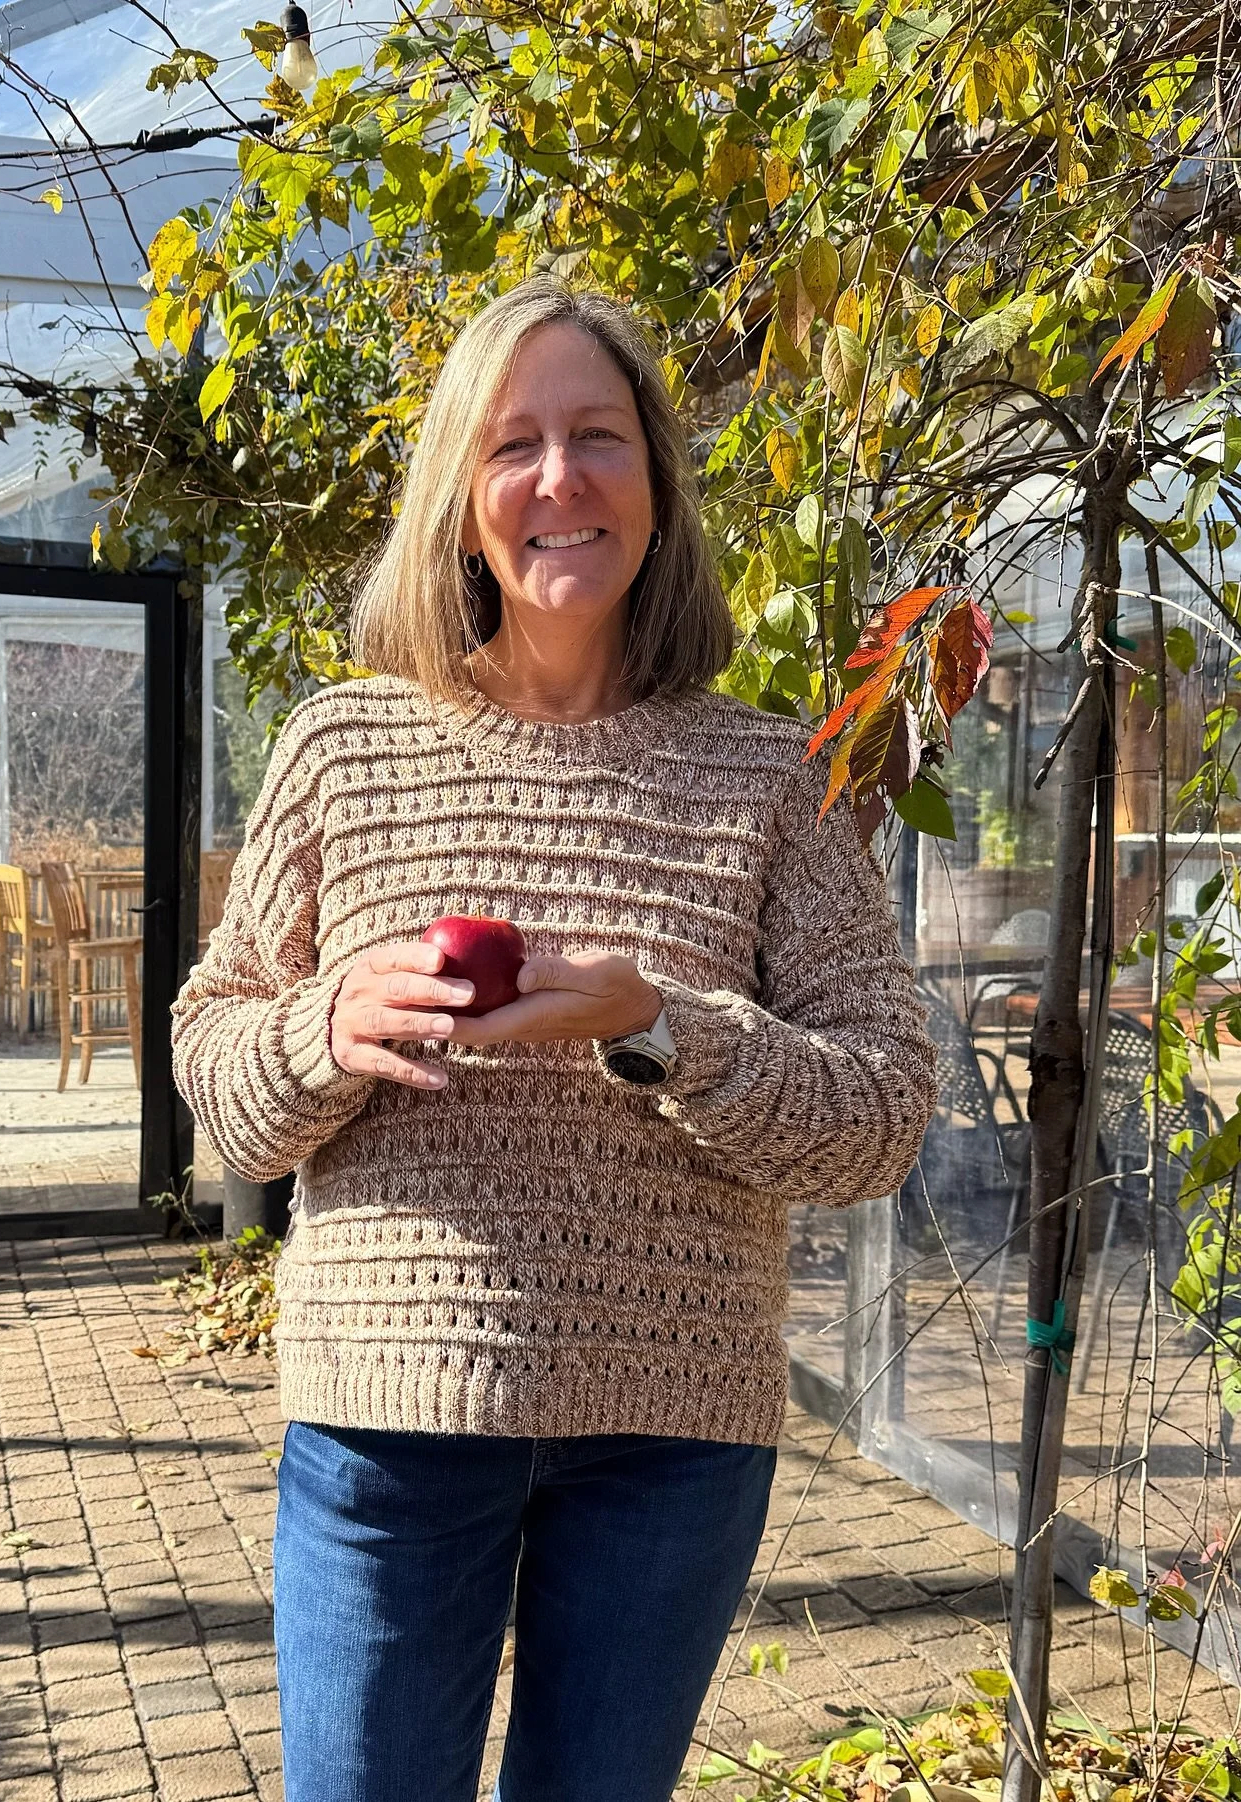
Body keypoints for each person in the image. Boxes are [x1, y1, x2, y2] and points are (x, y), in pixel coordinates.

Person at [172, 276, 937, 1802]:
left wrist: (659, 1024)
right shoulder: (343, 747)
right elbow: (219, 1073)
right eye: (512, 443)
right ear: (461, 498)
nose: (558, 478)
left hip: (672, 1435)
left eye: (598, 437)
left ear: (656, 482)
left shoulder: (769, 775)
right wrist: (329, 1024)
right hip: (390, 1421)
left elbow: (882, 1115)